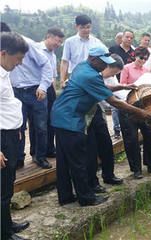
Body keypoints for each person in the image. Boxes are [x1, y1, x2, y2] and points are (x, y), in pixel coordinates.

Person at [51, 46, 151, 206]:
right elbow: (114, 102)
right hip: (70, 118)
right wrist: (142, 113)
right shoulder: (90, 75)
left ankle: (66, 196)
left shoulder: (82, 67)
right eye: (102, 63)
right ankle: (86, 198)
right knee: (78, 160)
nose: (105, 66)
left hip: (60, 115)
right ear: (93, 59)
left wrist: (122, 86)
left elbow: (101, 88)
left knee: (64, 160)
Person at [1, 31, 31, 240]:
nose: (19, 63)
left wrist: (17, 130)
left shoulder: (4, 73)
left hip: (10, 135)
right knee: (1, 189)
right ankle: (3, 234)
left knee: (8, 184)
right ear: (3, 53)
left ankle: (7, 225)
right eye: (18, 58)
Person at [10, 31, 54, 170]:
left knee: (40, 127)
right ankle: (18, 158)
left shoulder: (26, 43)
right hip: (15, 91)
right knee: (18, 127)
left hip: (35, 91)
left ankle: (40, 156)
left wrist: (43, 87)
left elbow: (46, 64)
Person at [86, 54, 128, 194]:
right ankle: (92, 183)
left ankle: (108, 175)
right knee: (91, 150)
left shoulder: (103, 75)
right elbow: (111, 99)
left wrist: (123, 87)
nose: (113, 75)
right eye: (113, 72)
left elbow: (108, 87)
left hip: (97, 111)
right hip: (85, 116)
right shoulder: (91, 74)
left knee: (106, 144)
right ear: (107, 66)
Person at [118, 47, 151, 178]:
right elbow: (122, 86)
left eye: (145, 59)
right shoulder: (126, 68)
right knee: (132, 140)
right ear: (135, 56)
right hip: (128, 107)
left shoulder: (146, 71)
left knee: (149, 136)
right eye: (141, 58)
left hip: (143, 107)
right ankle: (136, 169)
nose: (143, 61)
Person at [28, 28, 64, 161]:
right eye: (57, 41)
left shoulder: (53, 55)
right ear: (49, 36)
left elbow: (52, 76)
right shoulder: (35, 48)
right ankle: (36, 152)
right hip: (35, 88)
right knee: (37, 122)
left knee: (50, 120)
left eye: (61, 42)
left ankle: (49, 148)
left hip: (48, 88)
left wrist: (53, 94)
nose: (58, 44)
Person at [60, 14, 105, 88]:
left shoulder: (97, 42)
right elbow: (65, 61)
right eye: (82, 27)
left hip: (92, 78)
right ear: (76, 27)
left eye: (88, 27)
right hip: (75, 78)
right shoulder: (69, 42)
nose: (86, 30)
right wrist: (62, 80)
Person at [109, 30, 136, 138]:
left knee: (128, 103)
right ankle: (117, 129)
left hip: (129, 83)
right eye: (127, 37)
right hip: (114, 79)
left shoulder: (134, 51)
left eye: (131, 38)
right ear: (122, 37)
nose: (129, 39)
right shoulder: (113, 49)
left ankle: (128, 126)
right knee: (115, 106)